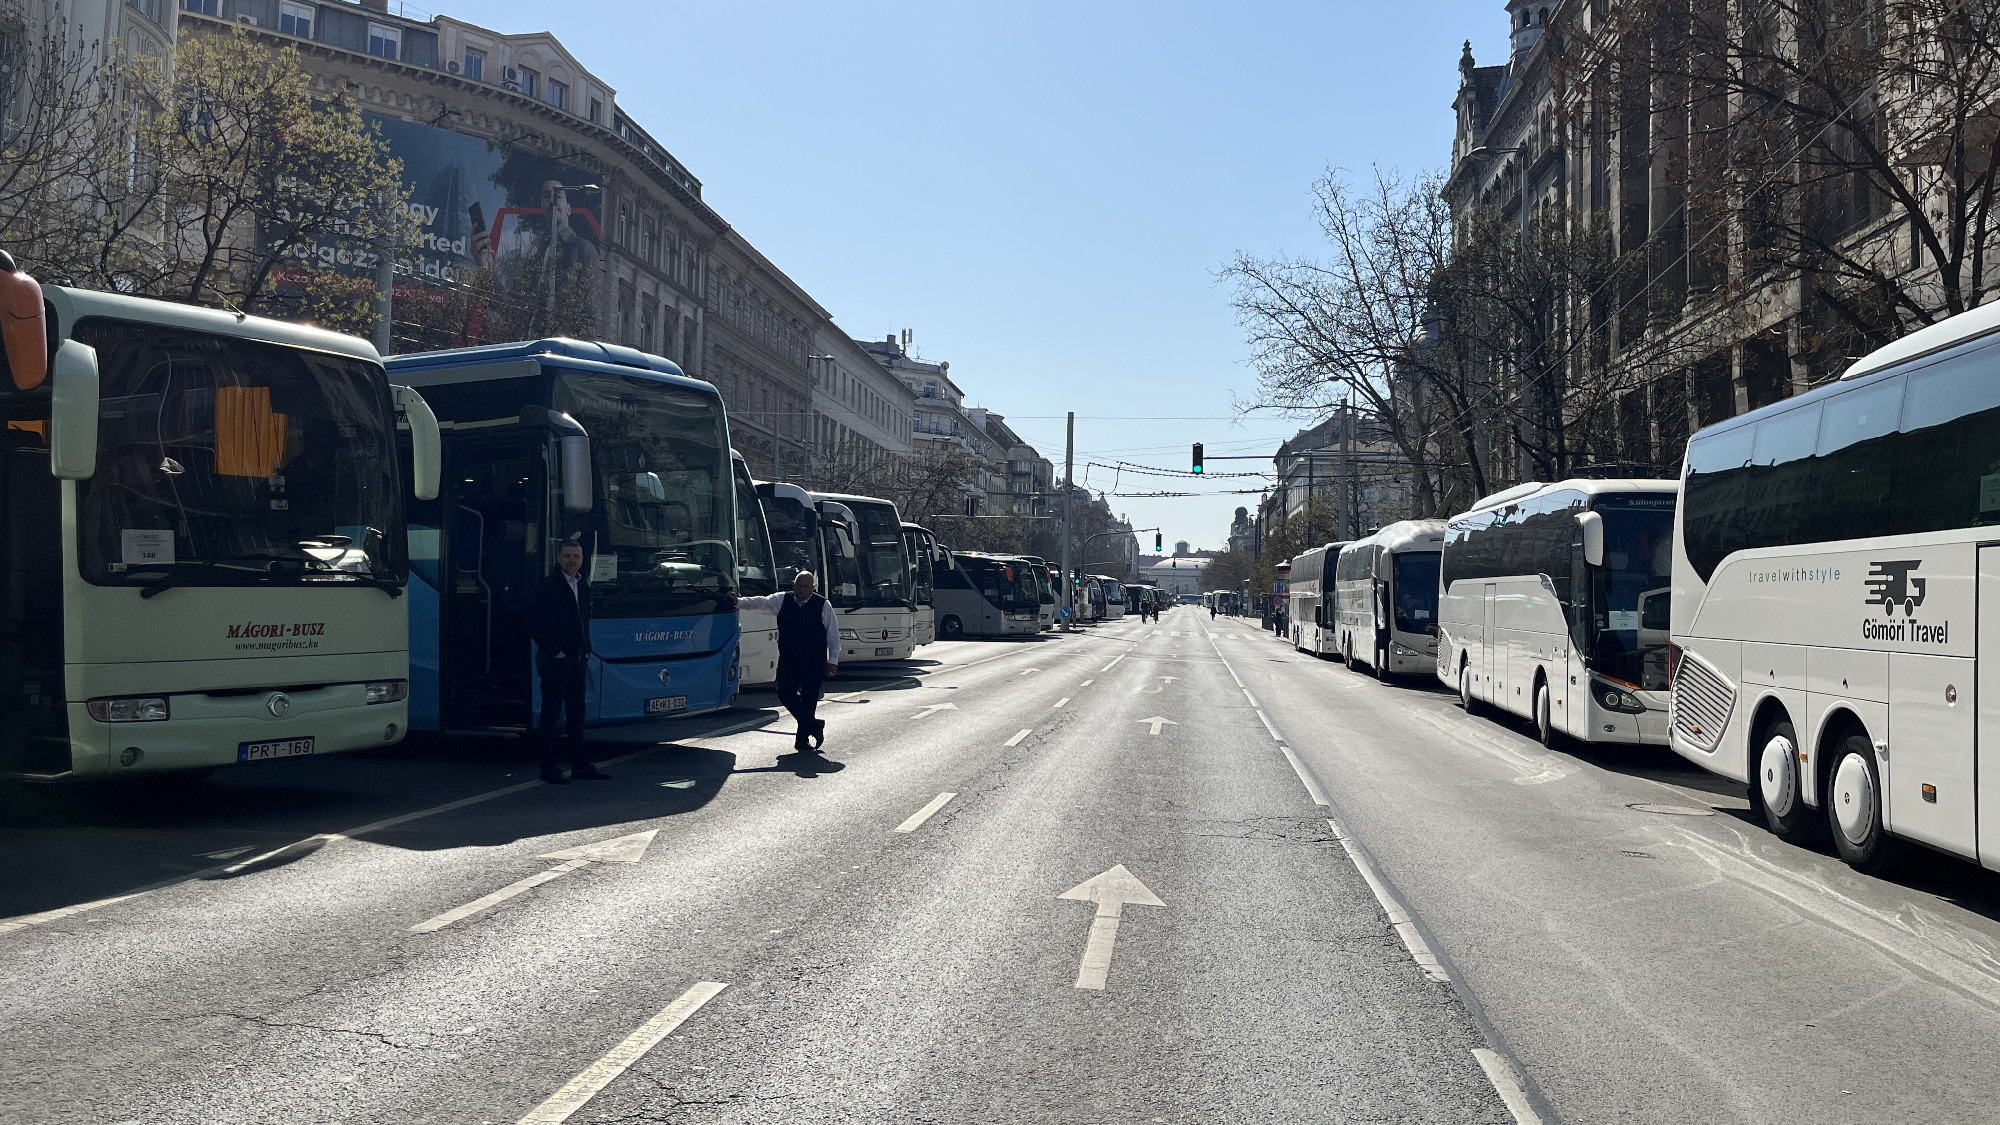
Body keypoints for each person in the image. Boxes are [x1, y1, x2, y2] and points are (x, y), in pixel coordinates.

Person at [528, 540, 609, 784]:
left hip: (578, 661)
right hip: (555, 660)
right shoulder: (548, 586)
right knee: (551, 713)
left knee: (576, 712)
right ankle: (548, 767)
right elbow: (535, 624)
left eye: (576, 555)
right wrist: (558, 652)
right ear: (558, 558)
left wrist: (586, 651)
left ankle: (580, 765)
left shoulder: (582, 586)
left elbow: (585, 621)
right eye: (567, 555)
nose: (571, 560)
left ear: (583, 559)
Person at [735, 569, 839, 753]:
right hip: (789, 659)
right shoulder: (782, 600)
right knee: (784, 693)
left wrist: (833, 660)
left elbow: (833, 635)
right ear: (794, 585)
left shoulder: (823, 605)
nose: (802, 589)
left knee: (809, 700)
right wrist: (738, 602)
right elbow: (760, 603)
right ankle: (814, 725)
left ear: (812, 588)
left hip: (813, 661)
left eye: (806, 586)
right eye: (799, 585)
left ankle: (802, 740)